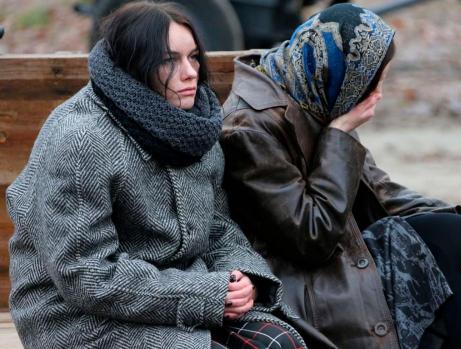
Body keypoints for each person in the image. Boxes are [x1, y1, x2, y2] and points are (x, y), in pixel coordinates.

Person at [5, 2, 308, 348]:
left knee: (279, 342)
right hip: (80, 318)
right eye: (169, 61)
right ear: (135, 66)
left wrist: (243, 278)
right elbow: (85, 275)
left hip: (179, 293)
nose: (191, 72)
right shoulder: (81, 138)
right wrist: (207, 294)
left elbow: (216, 227)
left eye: (193, 57)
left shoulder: (193, 125)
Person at [221, 4, 461, 349]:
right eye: (374, 83)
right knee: (457, 264)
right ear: (345, 76)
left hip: (343, 246)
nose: (379, 94)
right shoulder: (248, 128)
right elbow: (311, 238)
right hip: (301, 280)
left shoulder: (313, 86)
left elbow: (380, 189)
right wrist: (339, 134)